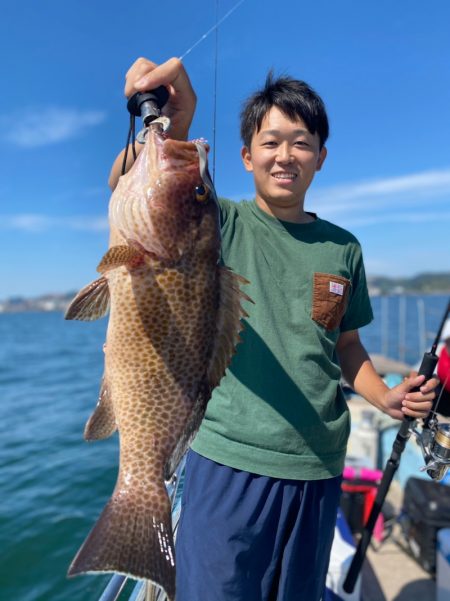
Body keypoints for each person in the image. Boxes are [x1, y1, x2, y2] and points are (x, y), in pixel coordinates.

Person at [109, 57, 437, 601]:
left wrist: (386, 398)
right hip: (229, 462)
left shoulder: (343, 247)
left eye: (302, 142)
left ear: (321, 158)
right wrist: (171, 124)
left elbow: (346, 345)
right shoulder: (219, 221)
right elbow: (143, 189)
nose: (286, 155)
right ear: (246, 157)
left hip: (318, 466)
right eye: (271, 142)